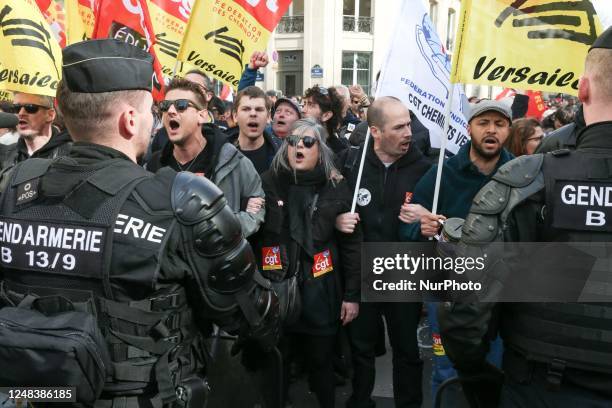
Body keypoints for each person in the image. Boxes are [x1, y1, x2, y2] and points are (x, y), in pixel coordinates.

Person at [0, 39, 281, 407]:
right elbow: (253, 314)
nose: (157, 119)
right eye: (153, 109)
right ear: (130, 119)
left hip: (32, 395)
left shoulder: (13, 185)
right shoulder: (178, 199)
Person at [438, 27, 612, 408]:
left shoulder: (528, 180)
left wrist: (476, 374)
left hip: (541, 386)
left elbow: (467, 303)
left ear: (582, 89)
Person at [399, 99, 514, 405]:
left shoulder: (522, 176)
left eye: (499, 124)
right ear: (469, 128)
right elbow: (407, 226)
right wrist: (420, 228)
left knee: (497, 371)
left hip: (501, 296)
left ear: (509, 130)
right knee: (447, 371)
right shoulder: (441, 175)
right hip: (447, 293)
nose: (491, 130)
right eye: (483, 123)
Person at [258, 118, 361, 408]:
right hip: (278, 289)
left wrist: (352, 296)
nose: (298, 147)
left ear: (321, 150)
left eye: (307, 142)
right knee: (279, 362)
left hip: (320, 290)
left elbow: (352, 248)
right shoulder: (269, 181)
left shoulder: (336, 185)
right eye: (292, 141)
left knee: (321, 362)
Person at [336, 96, 431, 408]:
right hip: (362, 272)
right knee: (362, 347)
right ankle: (361, 401)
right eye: (399, 126)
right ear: (375, 131)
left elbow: (446, 220)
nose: (409, 132)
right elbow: (327, 205)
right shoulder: (351, 163)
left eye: (409, 124)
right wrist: (337, 219)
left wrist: (430, 217)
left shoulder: (425, 169)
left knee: (406, 349)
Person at [146, 77, 265, 238]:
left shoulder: (233, 161)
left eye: (181, 105)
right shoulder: (154, 166)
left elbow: (255, 215)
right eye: (165, 106)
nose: (171, 111)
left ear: (202, 116)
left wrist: (216, 234)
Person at [0, 92, 72, 191]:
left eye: (31, 108)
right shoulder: (6, 155)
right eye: (16, 108)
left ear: (50, 115)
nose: (21, 113)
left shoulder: (71, 154)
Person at [226, 86, 280, 175]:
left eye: (259, 109)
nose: (253, 113)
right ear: (235, 116)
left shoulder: (282, 155)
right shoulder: (218, 154)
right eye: (246, 109)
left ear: (268, 117)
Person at [302, 85, 349, 155]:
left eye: (311, 105)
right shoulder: (296, 142)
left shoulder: (339, 153)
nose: (303, 110)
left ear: (326, 116)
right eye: (304, 105)